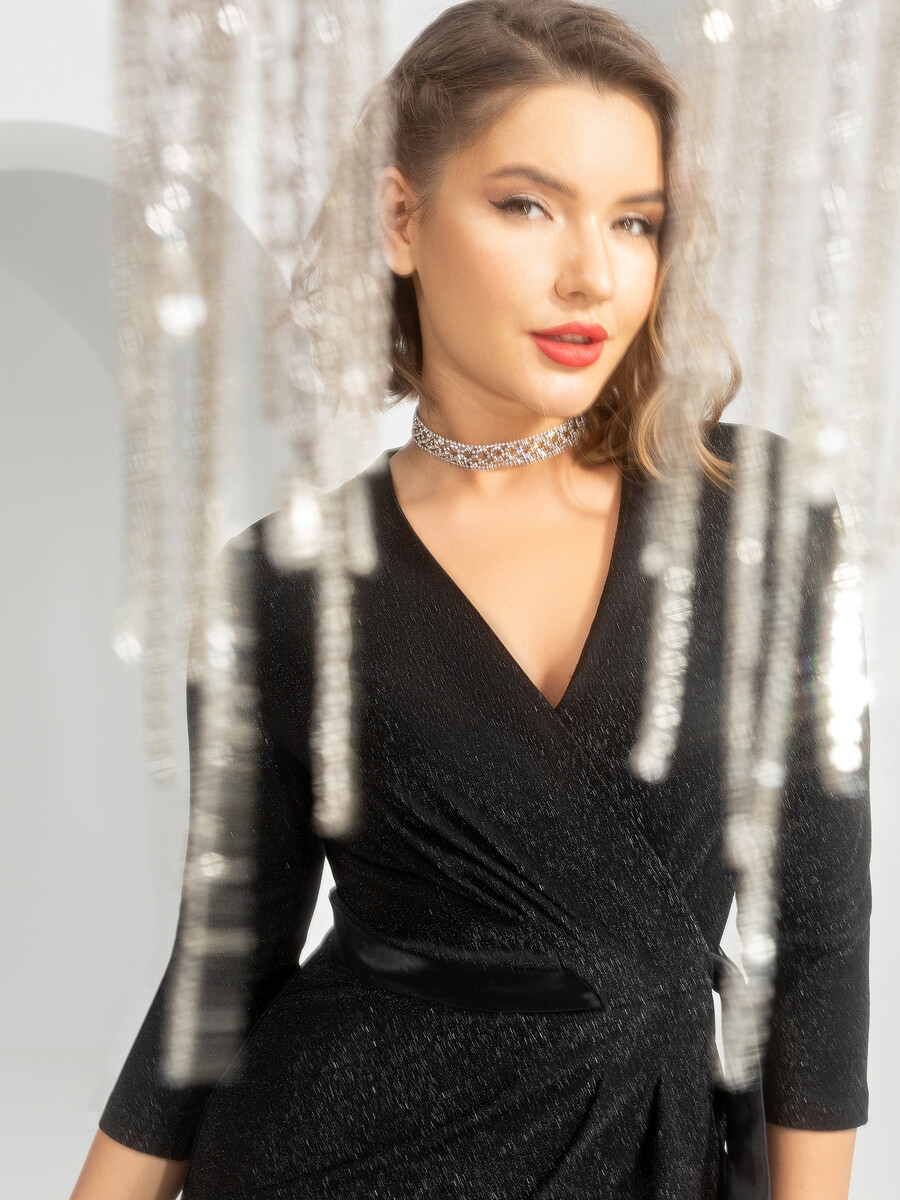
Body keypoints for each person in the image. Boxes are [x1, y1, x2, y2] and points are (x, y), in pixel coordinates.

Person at [70, 2, 870, 1197]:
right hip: (328, 1155)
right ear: (401, 218)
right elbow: (219, 975)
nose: (591, 273)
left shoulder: (760, 518)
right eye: (527, 206)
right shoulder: (280, 584)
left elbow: (820, 938)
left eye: (636, 221)